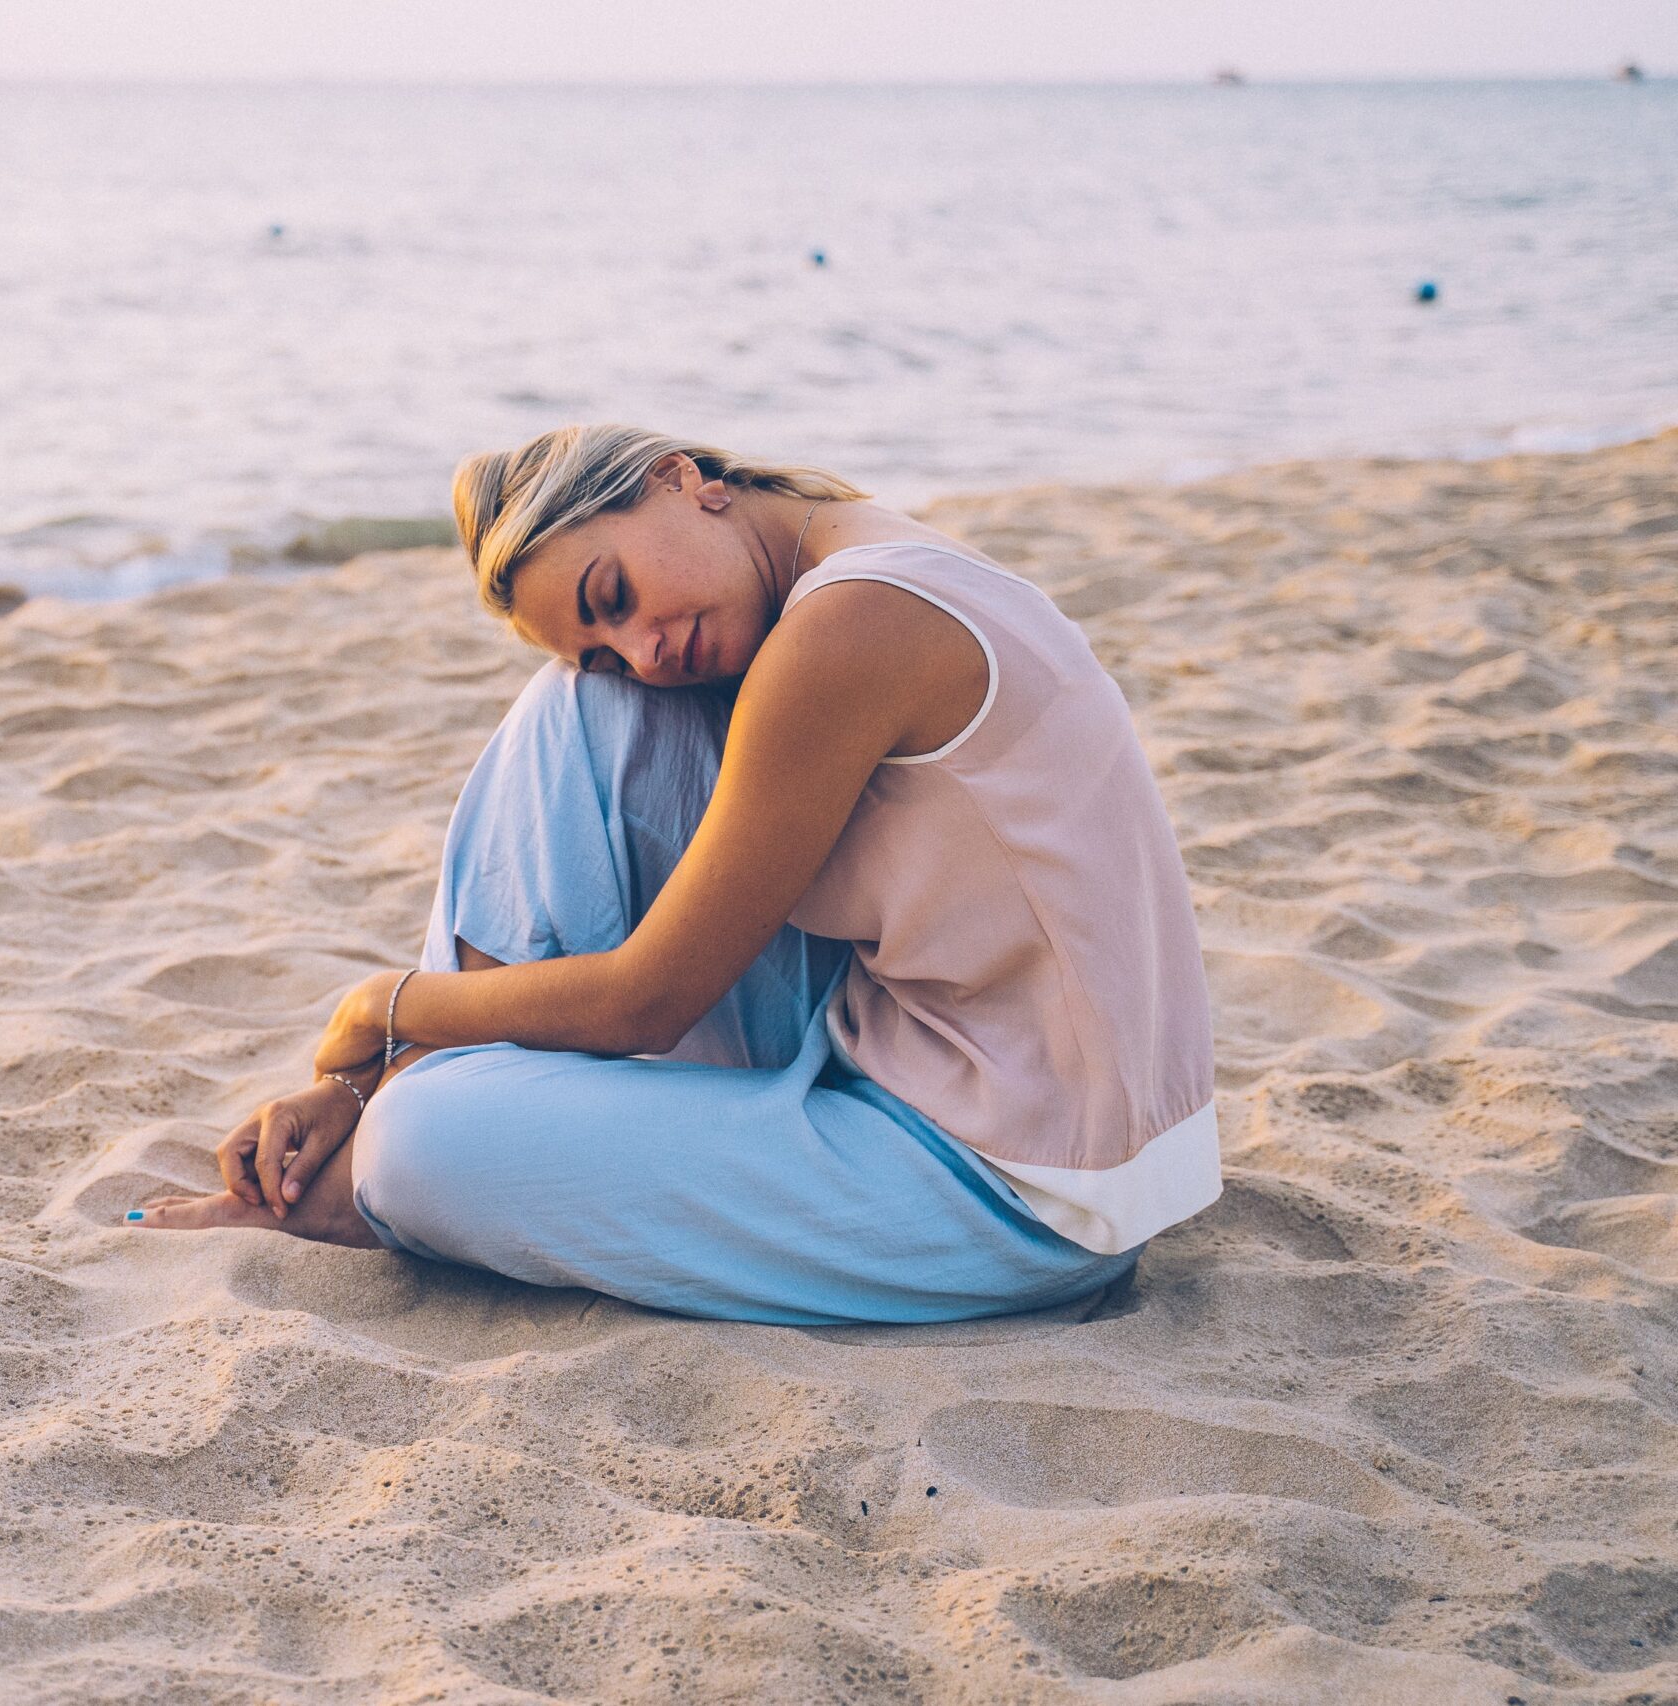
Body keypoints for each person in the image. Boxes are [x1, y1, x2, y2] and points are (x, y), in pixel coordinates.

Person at [129, 424, 1219, 1326]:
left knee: (417, 1149)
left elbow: (649, 1002)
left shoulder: (849, 627)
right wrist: (364, 1064)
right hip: (952, 1065)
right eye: (601, 633)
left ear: (677, 479)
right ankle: (384, 1091)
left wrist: (379, 1004)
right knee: (580, 710)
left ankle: (387, 1123)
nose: (643, 646)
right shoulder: (853, 571)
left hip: (1029, 1186)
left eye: (613, 591)